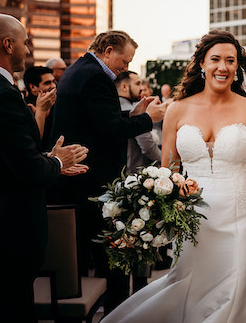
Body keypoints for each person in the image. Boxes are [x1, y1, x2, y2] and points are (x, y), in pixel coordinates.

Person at [102, 30, 246, 323]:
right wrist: (161, 211)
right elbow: (169, 172)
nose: (222, 67)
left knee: (236, 291)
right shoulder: (177, 109)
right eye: (215, 59)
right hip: (192, 218)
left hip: (242, 214)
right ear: (201, 63)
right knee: (192, 286)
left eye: (230, 60)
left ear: (238, 68)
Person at [0, 13, 88, 323]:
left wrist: (47, 158)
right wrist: (56, 161)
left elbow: (3, 157)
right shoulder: (2, 96)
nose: (28, 49)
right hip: (8, 230)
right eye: (25, 42)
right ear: (8, 44)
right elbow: (26, 170)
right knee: (13, 309)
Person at [50, 30, 166, 313]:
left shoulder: (80, 70)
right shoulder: (95, 77)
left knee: (105, 255)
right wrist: (148, 120)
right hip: (92, 181)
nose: (124, 68)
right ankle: (117, 313)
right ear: (108, 50)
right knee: (112, 256)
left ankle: (114, 310)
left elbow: (99, 120)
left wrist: (133, 114)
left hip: (82, 178)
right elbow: (111, 130)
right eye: (124, 61)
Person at [115, 71, 161, 172]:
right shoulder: (132, 111)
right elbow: (147, 146)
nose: (141, 88)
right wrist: (165, 162)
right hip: (134, 173)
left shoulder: (112, 110)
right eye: (137, 84)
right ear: (124, 87)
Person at [23, 65, 57, 149]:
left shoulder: (56, 104)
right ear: (33, 87)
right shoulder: (27, 108)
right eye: (47, 83)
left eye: (53, 82)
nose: (53, 86)